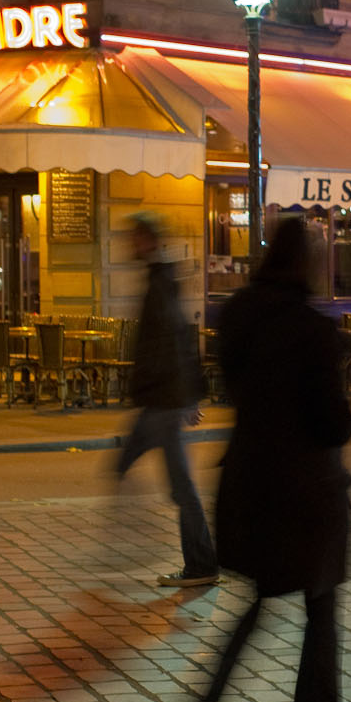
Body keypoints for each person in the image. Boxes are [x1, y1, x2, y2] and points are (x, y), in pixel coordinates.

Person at [204, 215, 351, 702]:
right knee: (319, 616)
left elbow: (235, 386)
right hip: (306, 500)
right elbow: (331, 423)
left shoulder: (237, 315)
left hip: (248, 486)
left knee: (255, 605)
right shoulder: (313, 330)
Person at [115, 212, 219, 588]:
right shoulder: (160, 281)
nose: (130, 245)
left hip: (162, 402)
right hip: (160, 400)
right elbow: (178, 343)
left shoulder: (160, 284)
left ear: (150, 242)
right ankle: (198, 560)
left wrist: (186, 398)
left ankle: (200, 563)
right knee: (128, 465)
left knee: (178, 485)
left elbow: (173, 345)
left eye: (135, 238)